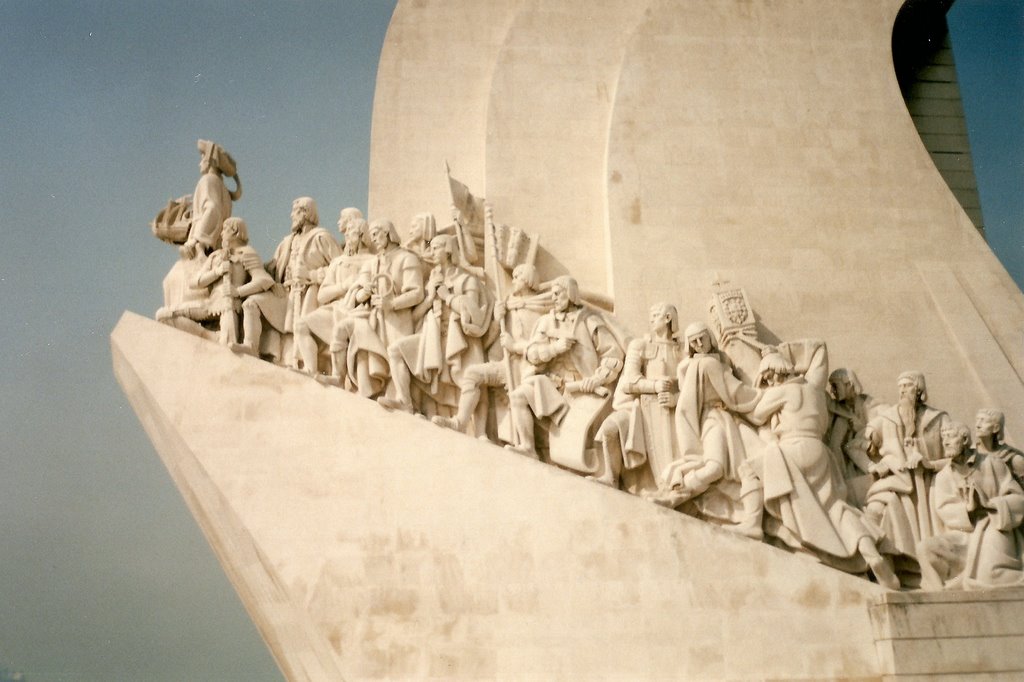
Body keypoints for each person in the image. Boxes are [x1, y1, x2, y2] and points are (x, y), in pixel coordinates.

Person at [735, 344, 900, 590]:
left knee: (749, 469)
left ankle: (752, 523)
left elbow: (756, 415)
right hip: (821, 453)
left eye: (769, 375)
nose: (769, 380)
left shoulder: (782, 392)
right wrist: (785, 354)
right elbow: (819, 349)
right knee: (836, 507)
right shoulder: (814, 387)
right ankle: (871, 553)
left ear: (776, 372)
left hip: (794, 448)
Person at [505, 276, 624, 460]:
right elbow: (532, 354)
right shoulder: (546, 322)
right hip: (552, 385)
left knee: (575, 449)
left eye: (557, 293)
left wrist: (596, 379)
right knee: (518, 396)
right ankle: (528, 447)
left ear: (569, 294)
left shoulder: (589, 321)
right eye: (552, 294)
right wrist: (554, 348)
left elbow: (613, 355)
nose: (553, 298)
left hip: (581, 388)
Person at [649, 322, 758, 519]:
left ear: (710, 337)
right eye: (694, 342)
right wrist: (760, 397)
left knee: (725, 468)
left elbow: (735, 392)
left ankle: (676, 496)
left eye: (702, 338)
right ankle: (676, 496)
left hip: (722, 419)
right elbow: (690, 395)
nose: (699, 344)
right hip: (709, 419)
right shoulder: (696, 365)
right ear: (689, 345)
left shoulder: (715, 362)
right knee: (715, 467)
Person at [431, 263, 549, 437]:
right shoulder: (509, 306)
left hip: (526, 369)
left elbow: (541, 350)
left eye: (517, 277)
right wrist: (496, 320)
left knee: (518, 399)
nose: (513, 280)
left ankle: (527, 445)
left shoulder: (539, 311)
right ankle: (460, 422)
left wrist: (515, 347)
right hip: (505, 365)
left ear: (528, 280)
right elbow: (491, 340)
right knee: (472, 374)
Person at [378, 234, 491, 415]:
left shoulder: (468, 280)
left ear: (448, 250)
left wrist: (447, 296)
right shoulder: (432, 279)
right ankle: (404, 402)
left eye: (437, 247)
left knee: (469, 381)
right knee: (395, 350)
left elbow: (473, 314)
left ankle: (474, 429)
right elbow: (415, 317)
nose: (432, 251)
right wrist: (430, 298)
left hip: (460, 338)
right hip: (432, 337)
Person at [918, 422, 1024, 590]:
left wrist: (990, 505)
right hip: (964, 535)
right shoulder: (943, 476)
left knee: (990, 575)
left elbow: (1018, 498)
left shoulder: (992, 464)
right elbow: (944, 509)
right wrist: (968, 510)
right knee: (925, 549)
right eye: (943, 438)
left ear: (965, 439)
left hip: (994, 527)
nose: (945, 442)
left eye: (951, 437)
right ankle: (943, 600)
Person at [863, 371, 951, 567]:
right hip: (896, 479)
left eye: (907, 386)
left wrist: (927, 461)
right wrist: (875, 464)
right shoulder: (887, 418)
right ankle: (884, 562)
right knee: (877, 509)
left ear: (918, 388)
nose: (902, 391)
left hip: (928, 484)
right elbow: (863, 444)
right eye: (900, 386)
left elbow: (952, 455)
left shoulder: (938, 418)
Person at [592, 302, 684, 490]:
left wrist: (676, 398)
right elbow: (628, 382)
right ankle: (611, 477)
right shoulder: (640, 345)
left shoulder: (683, 350)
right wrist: (654, 385)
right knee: (610, 428)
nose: (651, 318)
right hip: (638, 409)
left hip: (676, 410)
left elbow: (692, 385)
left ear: (668, 318)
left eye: (656, 314)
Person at [239, 197, 340, 364]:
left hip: (307, 295)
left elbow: (340, 267)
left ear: (306, 213)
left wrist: (311, 275)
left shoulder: (321, 238)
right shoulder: (287, 242)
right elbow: (271, 267)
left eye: (296, 212)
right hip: (284, 294)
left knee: (296, 337)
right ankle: (250, 346)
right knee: (252, 303)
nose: (292, 215)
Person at [342, 219, 425, 398]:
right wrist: (364, 293)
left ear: (387, 233)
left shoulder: (407, 258)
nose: (373, 239)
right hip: (375, 320)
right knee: (365, 349)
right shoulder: (371, 264)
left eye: (376, 234)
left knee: (397, 356)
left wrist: (392, 304)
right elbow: (357, 294)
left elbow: (417, 293)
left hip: (398, 321)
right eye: (371, 235)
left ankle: (402, 400)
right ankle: (366, 393)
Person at [292, 208, 371, 378]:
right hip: (336, 308)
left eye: (352, 233)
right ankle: (310, 370)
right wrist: (343, 286)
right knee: (302, 325)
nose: (347, 237)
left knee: (339, 334)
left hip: (358, 311)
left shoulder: (372, 261)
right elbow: (322, 295)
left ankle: (338, 377)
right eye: (347, 234)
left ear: (362, 235)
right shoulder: (339, 262)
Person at [190, 217, 274, 346]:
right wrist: (216, 272)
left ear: (234, 231)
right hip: (210, 304)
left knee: (227, 343)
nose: (222, 233)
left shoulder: (246, 253)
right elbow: (195, 282)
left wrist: (237, 291)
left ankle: (217, 338)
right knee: (167, 316)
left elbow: (264, 280)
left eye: (225, 229)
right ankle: (210, 336)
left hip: (229, 305)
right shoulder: (216, 255)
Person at [181, 139, 241, 259]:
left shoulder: (207, 180)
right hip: (216, 246)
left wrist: (197, 240)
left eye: (202, 159)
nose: (200, 164)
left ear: (209, 161)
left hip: (201, 246)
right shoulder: (223, 189)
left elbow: (212, 209)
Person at [974, 409, 1024, 486]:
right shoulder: (970, 455)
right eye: (977, 420)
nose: (978, 425)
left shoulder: (1012, 459)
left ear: (996, 428)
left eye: (983, 421)